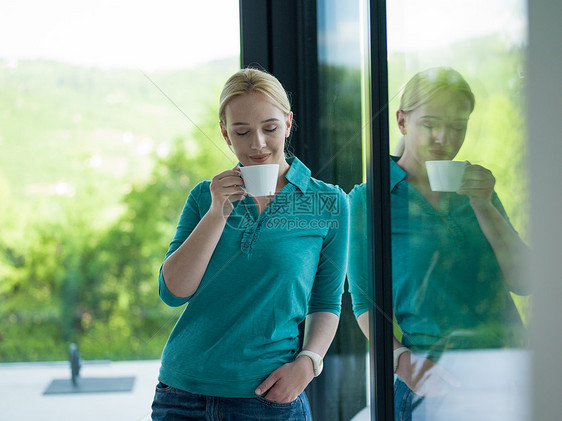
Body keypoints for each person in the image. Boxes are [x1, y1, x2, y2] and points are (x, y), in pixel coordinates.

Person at [151, 68, 349, 420]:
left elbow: (326, 301)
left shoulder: (328, 204)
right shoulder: (204, 197)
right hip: (182, 396)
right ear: (226, 135)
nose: (257, 144)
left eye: (270, 128)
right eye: (242, 132)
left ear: (288, 123)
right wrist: (216, 213)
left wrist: (308, 363)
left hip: (268, 398)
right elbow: (173, 292)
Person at [347, 67, 529, 420]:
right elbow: (364, 302)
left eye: (458, 126)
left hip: (507, 369)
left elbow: (525, 282)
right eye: (430, 123)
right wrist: (405, 365)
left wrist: (484, 205)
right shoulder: (369, 200)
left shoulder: (477, 189)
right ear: (402, 121)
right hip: (434, 378)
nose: (444, 137)